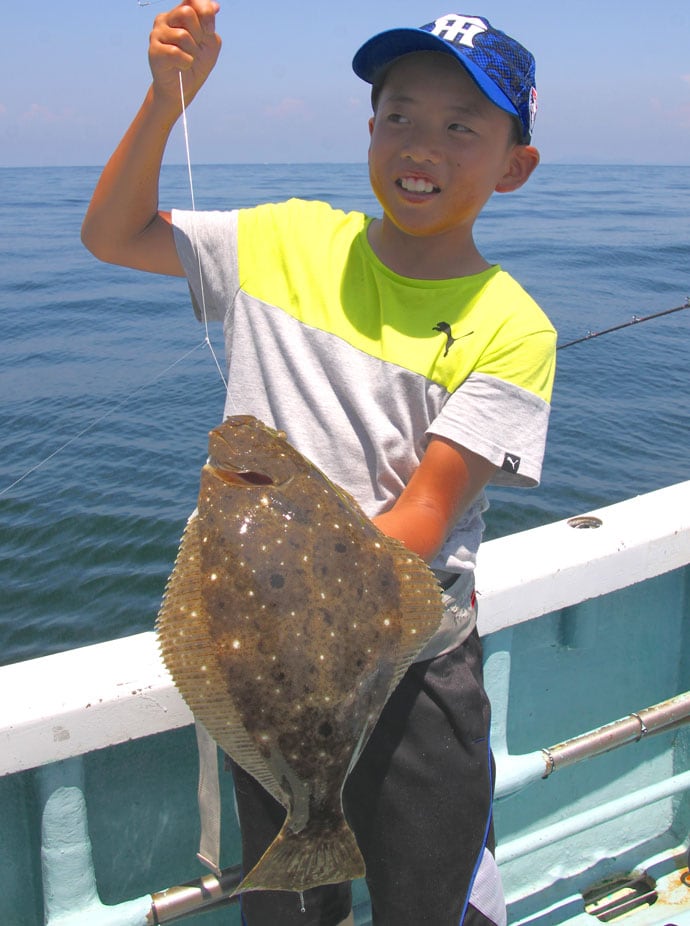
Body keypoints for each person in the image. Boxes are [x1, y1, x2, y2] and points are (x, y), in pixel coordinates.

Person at [82, 6, 556, 925]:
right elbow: (112, 234)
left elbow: (424, 516)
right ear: (370, 130)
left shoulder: (513, 326)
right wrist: (163, 101)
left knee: (431, 901)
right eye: (400, 115)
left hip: (413, 670)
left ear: (515, 164)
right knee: (292, 909)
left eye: (464, 125)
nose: (423, 143)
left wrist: (282, 584)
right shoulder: (282, 240)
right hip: (263, 664)